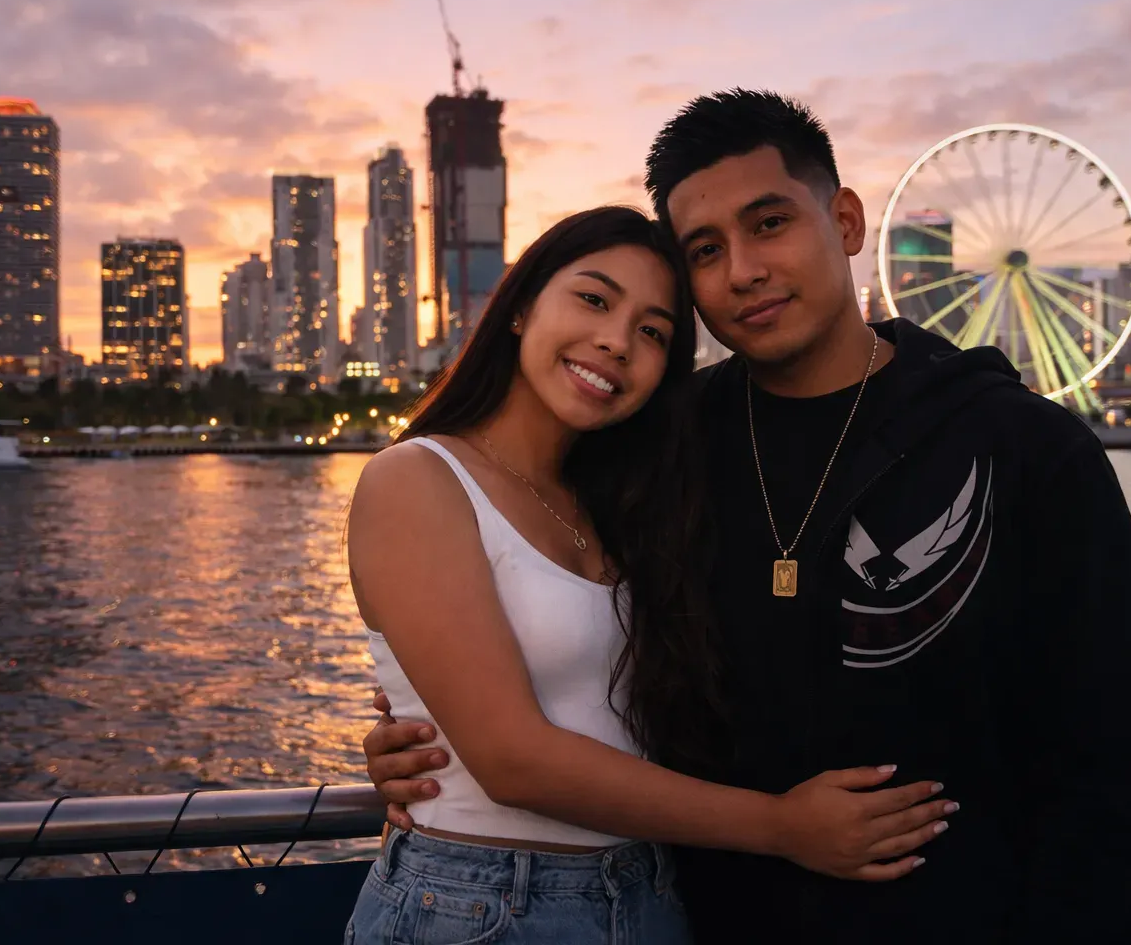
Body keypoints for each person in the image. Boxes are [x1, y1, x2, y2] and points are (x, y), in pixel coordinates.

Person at [364, 93, 1131, 943]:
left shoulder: (1022, 448)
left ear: (848, 220)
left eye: (770, 223)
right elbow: (532, 629)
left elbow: (1114, 765)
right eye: (706, 251)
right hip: (698, 919)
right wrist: (424, 738)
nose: (743, 270)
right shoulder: (657, 447)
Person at [344, 205, 954, 944]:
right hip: (482, 907)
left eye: (653, 332)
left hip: (650, 896)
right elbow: (511, 761)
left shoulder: (622, 506)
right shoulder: (418, 479)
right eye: (595, 300)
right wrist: (782, 826)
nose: (616, 342)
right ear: (521, 306)